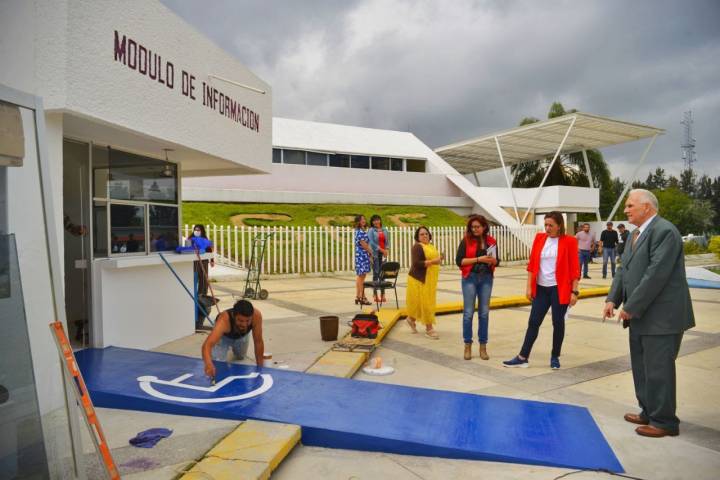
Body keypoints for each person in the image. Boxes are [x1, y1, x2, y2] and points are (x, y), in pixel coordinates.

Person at [603, 189, 695, 438]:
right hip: (640, 316)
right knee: (642, 367)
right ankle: (649, 411)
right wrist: (612, 299)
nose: (626, 210)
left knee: (658, 369)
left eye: (630, 205)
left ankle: (664, 421)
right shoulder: (635, 234)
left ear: (647, 207)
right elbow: (624, 270)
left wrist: (631, 306)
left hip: (662, 318)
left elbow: (656, 275)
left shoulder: (665, 232)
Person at [504, 211, 580, 369]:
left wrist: (574, 292)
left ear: (559, 226)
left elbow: (574, 269)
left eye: (551, 225)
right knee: (533, 322)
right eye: (546, 225)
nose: (547, 228)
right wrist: (528, 287)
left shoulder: (570, 241)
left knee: (557, 323)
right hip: (541, 288)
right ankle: (523, 357)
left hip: (559, 289)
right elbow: (532, 264)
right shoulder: (539, 238)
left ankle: (555, 356)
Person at [455, 215, 499, 360]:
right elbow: (459, 261)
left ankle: (483, 346)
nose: (474, 229)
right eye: (472, 227)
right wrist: (479, 259)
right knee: (468, 313)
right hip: (470, 278)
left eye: (477, 227)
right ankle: (467, 345)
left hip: (486, 278)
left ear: (484, 227)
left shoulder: (491, 241)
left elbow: (497, 261)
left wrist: (493, 261)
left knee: (484, 313)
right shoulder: (466, 241)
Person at [202, 300, 265, 380]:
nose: (244, 325)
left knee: (240, 356)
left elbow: (258, 342)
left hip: (241, 336)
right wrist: (208, 364)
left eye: (247, 321)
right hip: (223, 338)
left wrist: (260, 368)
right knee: (218, 364)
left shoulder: (256, 316)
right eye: (240, 320)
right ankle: (224, 349)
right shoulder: (223, 320)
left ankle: (235, 348)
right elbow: (207, 345)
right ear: (233, 316)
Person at [405, 226, 443, 339]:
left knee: (421, 303)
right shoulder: (417, 247)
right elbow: (416, 263)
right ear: (417, 237)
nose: (425, 236)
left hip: (430, 279)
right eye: (422, 234)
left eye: (426, 233)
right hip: (419, 279)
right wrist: (434, 261)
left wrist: (439, 259)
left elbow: (435, 260)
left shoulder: (431, 246)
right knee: (426, 304)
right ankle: (429, 329)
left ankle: (411, 319)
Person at [188, 224, 215, 329]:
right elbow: (187, 248)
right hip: (194, 262)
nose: (197, 231)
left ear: (202, 231)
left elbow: (209, 250)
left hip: (203, 261)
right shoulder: (191, 239)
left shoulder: (205, 240)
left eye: (198, 230)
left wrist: (212, 260)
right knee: (193, 279)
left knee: (203, 279)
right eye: (195, 230)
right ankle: (193, 294)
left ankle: (202, 295)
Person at [367, 214, 391, 304]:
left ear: (380, 220)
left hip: (383, 254)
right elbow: (371, 242)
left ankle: (383, 294)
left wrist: (387, 250)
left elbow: (387, 242)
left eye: (377, 220)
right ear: (372, 222)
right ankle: (375, 294)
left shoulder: (385, 230)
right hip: (375, 254)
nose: (376, 222)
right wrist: (381, 249)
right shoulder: (371, 230)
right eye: (374, 220)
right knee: (376, 273)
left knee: (383, 274)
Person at [353, 214, 373, 305]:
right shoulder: (360, 232)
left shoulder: (360, 230)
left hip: (362, 255)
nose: (364, 220)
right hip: (362, 255)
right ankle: (362, 297)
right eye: (362, 219)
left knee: (360, 276)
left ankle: (358, 296)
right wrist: (371, 253)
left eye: (364, 219)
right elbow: (364, 245)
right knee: (361, 277)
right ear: (358, 221)